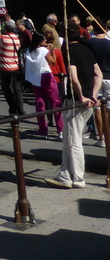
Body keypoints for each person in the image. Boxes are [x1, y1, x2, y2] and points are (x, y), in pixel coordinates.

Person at [46, 23, 102, 188]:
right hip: (87, 100)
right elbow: (98, 74)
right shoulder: (86, 50)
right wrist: (93, 94)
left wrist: (82, 96)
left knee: (73, 140)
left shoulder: (69, 52)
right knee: (69, 138)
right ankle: (65, 173)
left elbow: (74, 77)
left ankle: (77, 177)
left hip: (76, 101)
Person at [23, 32, 63, 138]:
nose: (46, 41)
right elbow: (53, 62)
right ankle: (60, 129)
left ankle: (43, 129)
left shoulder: (29, 50)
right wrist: (52, 50)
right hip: (46, 75)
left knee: (40, 102)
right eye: (44, 39)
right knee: (55, 102)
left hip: (35, 77)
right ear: (39, 41)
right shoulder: (44, 50)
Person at [0, 19, 25, 116]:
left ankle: (12, 109)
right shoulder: (16, 38)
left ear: (6, 29)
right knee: (17, 89)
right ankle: (21, 109)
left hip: (6, 67)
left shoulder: (3, 38)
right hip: (16, 66)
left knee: (7, 88)